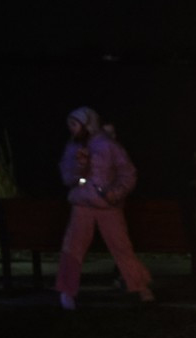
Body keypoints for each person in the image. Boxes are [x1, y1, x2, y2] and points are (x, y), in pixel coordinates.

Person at [56, 106, 153, 310]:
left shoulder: (108, 146)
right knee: (73, 248)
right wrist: (80, 168)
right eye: (70, 125)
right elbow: (67, 177)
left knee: (121, 247)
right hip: (82, 203)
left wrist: (114, 193)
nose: (72, 129)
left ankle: (140, 287)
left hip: (107, 206)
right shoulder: (72, 147)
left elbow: (128, 174)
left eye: (75, 124)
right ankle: (67, 291)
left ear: (86, 124)